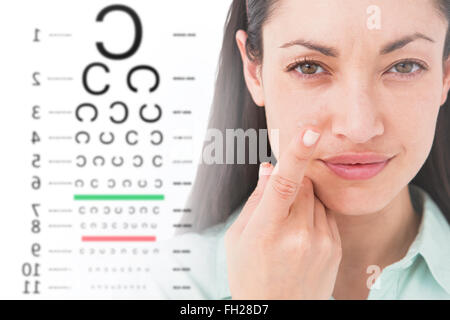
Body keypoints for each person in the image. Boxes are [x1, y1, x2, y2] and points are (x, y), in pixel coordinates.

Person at [150, 0, 450, 300]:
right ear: (254, 71)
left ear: (445, 75)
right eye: (309, 67)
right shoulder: (173, 285)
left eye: (404, 66)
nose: (359, 127)